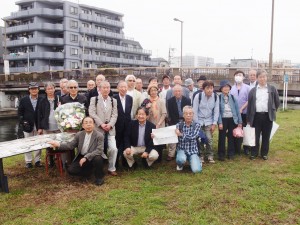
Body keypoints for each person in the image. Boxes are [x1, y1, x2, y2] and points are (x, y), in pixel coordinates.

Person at [48, 117, 105, 186]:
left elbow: (99, 150)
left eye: (90, 122)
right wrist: (58, 144)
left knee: (98, 158)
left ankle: (99, 178)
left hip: (93, 156)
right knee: (71, 170)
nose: (88, 124)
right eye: (86, 123)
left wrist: (86, 157)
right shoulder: (79, 134)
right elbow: (70, 145)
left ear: (94, 125)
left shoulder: (99, 135)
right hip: (81, 156)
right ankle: (89, 172)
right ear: (83, 126)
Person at [247, 70, 280, 160]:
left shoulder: (272, 89)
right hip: (256, 116)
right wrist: (248, 119)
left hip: (267, 116)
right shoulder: (253, 91)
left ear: (266, 78)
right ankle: (254, 153)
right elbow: (249, 105)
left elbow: (277, 102)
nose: (262, 79)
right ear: (257, 78)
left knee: (266, 136)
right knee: (255, 136)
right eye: (260, 77)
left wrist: (272, 111)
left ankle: (264, 153)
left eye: (264, 77)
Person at [89, 81, 118, 176]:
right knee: (98, 150)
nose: (106, 89)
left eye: (108, 87)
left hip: (110, 129)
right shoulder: (94, 99)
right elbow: (92, 113)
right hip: (98, 129)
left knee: (113, 149)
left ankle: (111, 168)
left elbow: (115, 115)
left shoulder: (113, 101)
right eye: (104, 88)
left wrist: (110, 125)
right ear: (100, 89)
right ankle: (98, 168)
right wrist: (101, 124)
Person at [193, 80, 219, 163]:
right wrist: (196, 124)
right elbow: (195, 110)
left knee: (209, 139)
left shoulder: (215, 97)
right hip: (199, 121)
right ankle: (201, 155)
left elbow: (216, 111)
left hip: (209, 121)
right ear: (203, 89)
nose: (209, 90)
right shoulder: (198, 96)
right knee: (200, 139)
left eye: (211, 88)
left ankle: (210, 155)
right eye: (207, 88)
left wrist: (214, 123)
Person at [18, 82, 43, 168]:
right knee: (27, 143)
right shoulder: (23, 100)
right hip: (27, 125)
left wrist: (41, 126)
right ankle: (28, 161)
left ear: (38, 90)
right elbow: (20, 113)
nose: (34, 90)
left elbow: (43, 113)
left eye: (35, 88)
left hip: (38, 125)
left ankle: (37, 160)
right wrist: (23, 122)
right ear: (29, 90)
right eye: (32, 89)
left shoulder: (42, 99)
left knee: (38, 143)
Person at [217, 80, 242, 161]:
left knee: (231, 136)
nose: (226, 88)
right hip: (223, 119)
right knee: (222, 137)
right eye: (224, 87)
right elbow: (217, 111)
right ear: (221, 88)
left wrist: (239, 122)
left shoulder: (233, 97)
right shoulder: (218, 97)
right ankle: (221, 154)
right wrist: (220, 122)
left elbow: (237, 110)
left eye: (227, 87)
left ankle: (231, 153)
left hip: (232, 119)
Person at [141, 85, 167, 161]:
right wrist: (147, 108)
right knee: (151, 140)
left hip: (160, 123)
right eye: (152, 90)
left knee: (160, 140)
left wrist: (159, 123)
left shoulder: (161, 100)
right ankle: (150, 155)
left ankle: (159, 158)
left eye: (155, 90)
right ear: (149, 92)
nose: (153, 92)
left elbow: (164, 113)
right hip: (150, 123)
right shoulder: (146, 101)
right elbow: (144, 114)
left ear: (157, 91)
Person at [167, 85, 191, 161]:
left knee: (185, 134)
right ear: (173, 92)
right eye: (176, 91)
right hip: (175, 120)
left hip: (185, 120)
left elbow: (188, 113)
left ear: (182, 92)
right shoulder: (170, 101)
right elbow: (171, 114)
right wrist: (177, 124)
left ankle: (185, 151)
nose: (177, 92)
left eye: (179, 91)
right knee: (173, 135)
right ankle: (171, 154)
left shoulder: (187, 100)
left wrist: (184, 122)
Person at [175, 106, 202, 173]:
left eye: (190, 113)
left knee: (196, 170)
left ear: (193, 114)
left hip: (193, 151)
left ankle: (194, 160)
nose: (188, 115)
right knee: (180, 159)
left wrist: (181, 134)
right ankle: (180, 164)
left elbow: (193, 137)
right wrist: (155, 136)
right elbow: (169, 135)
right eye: (186, 113)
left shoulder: (197, 125)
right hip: (181, 149)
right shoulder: (178, 125)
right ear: (183, 115)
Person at [230, 70, 251, 155]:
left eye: (240, 75)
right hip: (234, 113)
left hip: (244, 112)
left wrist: (242, 108)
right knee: (235, 130)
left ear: (243, 77)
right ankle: (236, 147)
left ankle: (246, 148)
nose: (238, 76)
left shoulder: (247, 87)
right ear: (234, 77)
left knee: (245, 130)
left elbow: (249, 100)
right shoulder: (231, 88)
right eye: (237, 75)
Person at [114, 81, 133, 167]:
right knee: (117, 144)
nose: (123, 89)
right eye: (121, 87)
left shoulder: (130, 98)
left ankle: (126, 163)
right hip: (117, 125)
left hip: (128, 125)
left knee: (126, 142)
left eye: (125, 87)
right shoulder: (114, 98)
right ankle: (116, 164)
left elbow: (128, 112)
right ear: (118, 88)